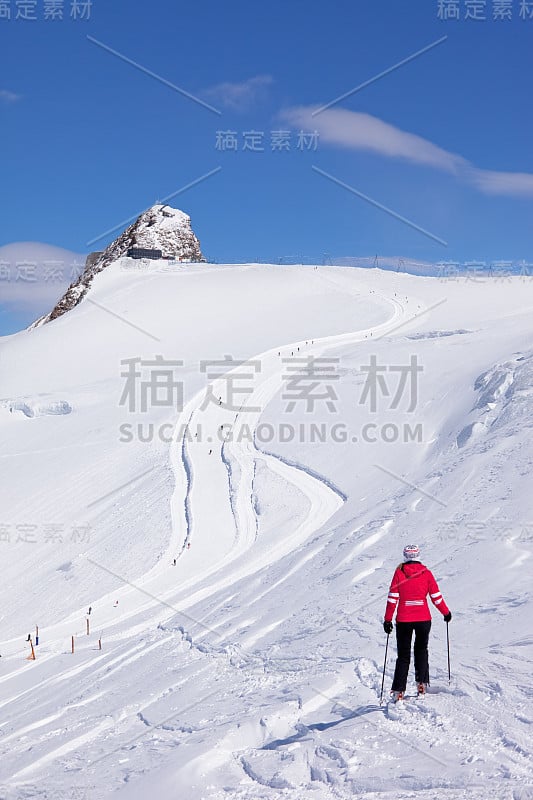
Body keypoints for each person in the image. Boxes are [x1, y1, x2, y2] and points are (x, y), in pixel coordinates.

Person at [383, 544, 451, 701]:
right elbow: (436, 597)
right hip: (423, 619)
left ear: (405, 556)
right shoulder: (426, 573)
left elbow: (392, 598)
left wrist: (387, 620)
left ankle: (399, 691)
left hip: (404, 620)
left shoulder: (399, 573)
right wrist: (446, 612)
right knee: (421, 650)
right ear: (419, 556)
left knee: (403, 655)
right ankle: (422, 683)